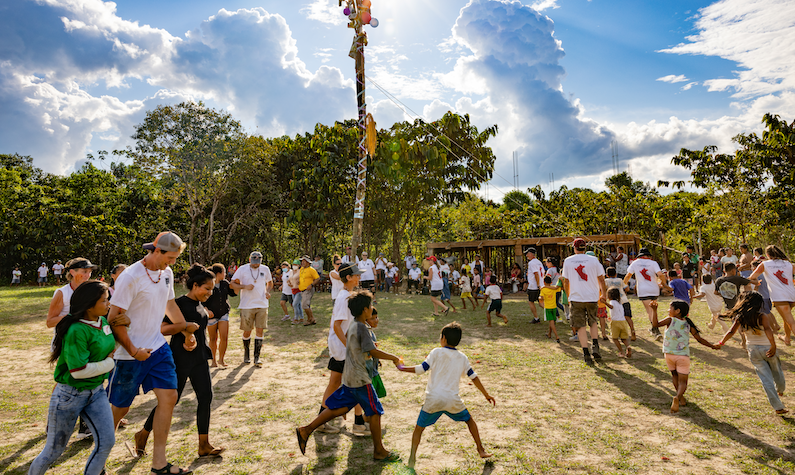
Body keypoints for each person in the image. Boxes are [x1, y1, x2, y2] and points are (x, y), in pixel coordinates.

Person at [106, 231, 198, 475]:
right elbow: (113, 319)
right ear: (157, 251)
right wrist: (133, 351)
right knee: (119, 409)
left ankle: (159, 463)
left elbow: (170, 305)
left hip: (158, 348)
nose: (174, 263)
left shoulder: (166, 274)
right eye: (171, 257)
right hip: (129, 354)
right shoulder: (131, 277)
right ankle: (99, 463)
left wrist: (185, 333)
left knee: (169, 397)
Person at [296, 290, 402, 462]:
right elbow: (373, 350)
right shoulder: (361, 327)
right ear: (365, 310)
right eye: (370, 306)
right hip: (360, 378)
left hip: (350, 375)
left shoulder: (353, 324)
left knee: (340, 408)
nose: (372, 308)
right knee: (375, 412)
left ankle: (306, 430)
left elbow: (350, 340)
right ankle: (379, 451)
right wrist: (393, 358)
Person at [28, 281, 121, 475]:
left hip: (96, 391)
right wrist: (109, 364)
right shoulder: (76, 330)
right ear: (89, 305)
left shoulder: (102, 322)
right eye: (104, 301)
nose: (109, 304)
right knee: (53, 451)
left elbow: (108, 348)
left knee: (107, 442)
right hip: (69, 395)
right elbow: (78, 371)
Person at [134, 264, 225, 459]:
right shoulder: (178, 304)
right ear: (194, 285)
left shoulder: (200, 304)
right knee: (170, 402)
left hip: (200, 357)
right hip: (180, 359)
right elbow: (161, 328)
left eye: (212, 289)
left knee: (206, 397)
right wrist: (184, 330)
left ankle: (204, 444)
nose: (209, 292)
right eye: (206, 288)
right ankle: (143, 434)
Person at [398, 322, 495, 469]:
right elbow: (473, 376)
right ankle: (481, 449)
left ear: (443, 338)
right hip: (452, 400)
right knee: (469, 421)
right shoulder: (462, 357)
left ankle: (412, 458)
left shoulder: (436, 352)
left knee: (419, 429)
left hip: (433, 399)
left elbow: (421, 369)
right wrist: (486, 394)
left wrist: (402, 368)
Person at [717, 292, 788, 414]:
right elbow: (768, 330)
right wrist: (773, 345)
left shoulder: (740, 317)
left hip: (753, 351)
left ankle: (778, 407)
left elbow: (730, 332)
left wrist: (721, 343)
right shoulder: (762, 316)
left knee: (766, 380)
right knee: (777, 373)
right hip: (767, 349)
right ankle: (780, 390)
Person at [317, 263, 367, 435]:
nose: (359, 277)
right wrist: (349, 347)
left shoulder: (348, 295)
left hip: (344, 347)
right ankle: (358, 423)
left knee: (338, 382)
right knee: (356, 382)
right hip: (342, 348)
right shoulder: (343, 298)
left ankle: (324, 420)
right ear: (348, 278)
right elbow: (338, 326)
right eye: (356, 275)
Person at [651, 300, 721, 413]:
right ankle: (678, 398)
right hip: (682, 356)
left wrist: (654, 311)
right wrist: (712, 346)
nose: (668, 310)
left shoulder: (670, 320)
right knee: (683, 382)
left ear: (677, 311)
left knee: (674, 375)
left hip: (668, 354)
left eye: (670, 308)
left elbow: (655, 325)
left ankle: (681, 398)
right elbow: (699, 339)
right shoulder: (688, 323)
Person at [561, 238, 607, 366]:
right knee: (593, 322)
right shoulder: (594, 260)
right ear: (585, 247)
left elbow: (566, 281)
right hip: (592, 296)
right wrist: (603, 294)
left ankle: (586, 353)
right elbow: (602, 279)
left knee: (580, 326)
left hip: (576, 297)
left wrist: (569, 295)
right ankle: (595, 345)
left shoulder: (568, 261)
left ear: (574, 248)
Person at [230, 251, 273, 365]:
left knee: (260, 329)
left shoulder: (265, 269)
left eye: (258, 262)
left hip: (262, 304)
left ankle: (257, 357)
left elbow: (270, 282)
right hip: (247, 305)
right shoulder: (242, 269)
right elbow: (232, 283)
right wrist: (244, 286)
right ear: (250, 260)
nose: (256, 264)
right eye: (254, 262)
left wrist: (267, 291)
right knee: (247, 331)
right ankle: (246, 353)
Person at [749, 245, 795, 347]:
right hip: (792, 295)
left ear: (767, 255)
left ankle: (787, 338)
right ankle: (787, 338)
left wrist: (756, 282)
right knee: (786, 318)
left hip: (780, 296)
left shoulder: (765, 264)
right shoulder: (788, 264)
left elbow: (752, 277)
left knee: (790, 320)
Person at [624, 248, 669, 341]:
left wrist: (623, 285)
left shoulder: (635, 263)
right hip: (654, 289)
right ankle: (654, 327)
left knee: (649, 310)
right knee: (653, 309)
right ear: (648, 255)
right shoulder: (653, 263)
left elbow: (628, 275)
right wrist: (664, 284)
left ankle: (656, 330)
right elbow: (660, 275)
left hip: (643, 290)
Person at [206, 263, 235, 368]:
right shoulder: (208, 284)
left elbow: (233, 293)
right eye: (224, 272)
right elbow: (202, 299)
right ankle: (213, 360)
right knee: (213, 338)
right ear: (219, 273)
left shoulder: (225, 283)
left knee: (224, 337)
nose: (225, 274)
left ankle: (221, 360)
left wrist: (235, 285)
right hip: (211, 315)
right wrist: (206, 310)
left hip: (223, 313)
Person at [605, 267, 635, 341]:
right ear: (616, 274)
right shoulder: (620, 280)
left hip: (614, 302)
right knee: (628, 317)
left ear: (607, 275)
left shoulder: (606, 281)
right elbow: (627, 289)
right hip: (624, 300)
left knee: (615, 317)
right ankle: (632, 331)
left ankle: (617, 332)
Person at [603, 288, 631, 357]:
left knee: (615, 338)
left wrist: (605, 303)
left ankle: (622, 352)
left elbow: (612, 307)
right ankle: (628, 346)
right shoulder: (620, 302)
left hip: (615, 322)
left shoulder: (612, 302)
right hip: (623, 321)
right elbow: (617, 311)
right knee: (623, 338)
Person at [298, 255, 321, 326]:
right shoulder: (301, 269)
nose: (302, 263)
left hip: (308, 290)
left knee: (304, 305)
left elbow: (317, 278)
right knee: (307, 305)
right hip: (302, 290)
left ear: (308, 262)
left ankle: (309, 319)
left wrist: (311, 285)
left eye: (304, 261)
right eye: (302, 261)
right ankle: (312, 319)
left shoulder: (312, 270)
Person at [539, 275, 560, 342]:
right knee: (552, 321)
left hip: (547, 307)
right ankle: (549, 334)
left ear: (544, 282)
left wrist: (539, 298)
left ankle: (557, 336)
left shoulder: (543, 289)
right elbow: (560, 288)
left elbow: (541, 298)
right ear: (551, 282)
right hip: (554, 307)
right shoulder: (553, 288)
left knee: (551, 322)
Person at [525, 248, 544, 324]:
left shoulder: (532, 263)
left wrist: (538, 284)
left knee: (531, 301)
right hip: (540, 285)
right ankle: (554, 314)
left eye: (527, 253)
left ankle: (536, 318)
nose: (526, 255)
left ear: (531, 254)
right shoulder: (539, 262)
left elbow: (536, 273)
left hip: (534, 286)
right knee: (541, 302)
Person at [288, 259, 304, 325]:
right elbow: (289, 279)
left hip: (299, 290)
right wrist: (289, 283)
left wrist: (299, 281)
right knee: (298, 305)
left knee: (294, 304)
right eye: (293, 264)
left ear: (299, 265)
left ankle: (296, 318)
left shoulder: (300, 271)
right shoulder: (291, 272)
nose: (294, 266)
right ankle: (301, 318)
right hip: (293, 289)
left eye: (296, 265)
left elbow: (303, 279)